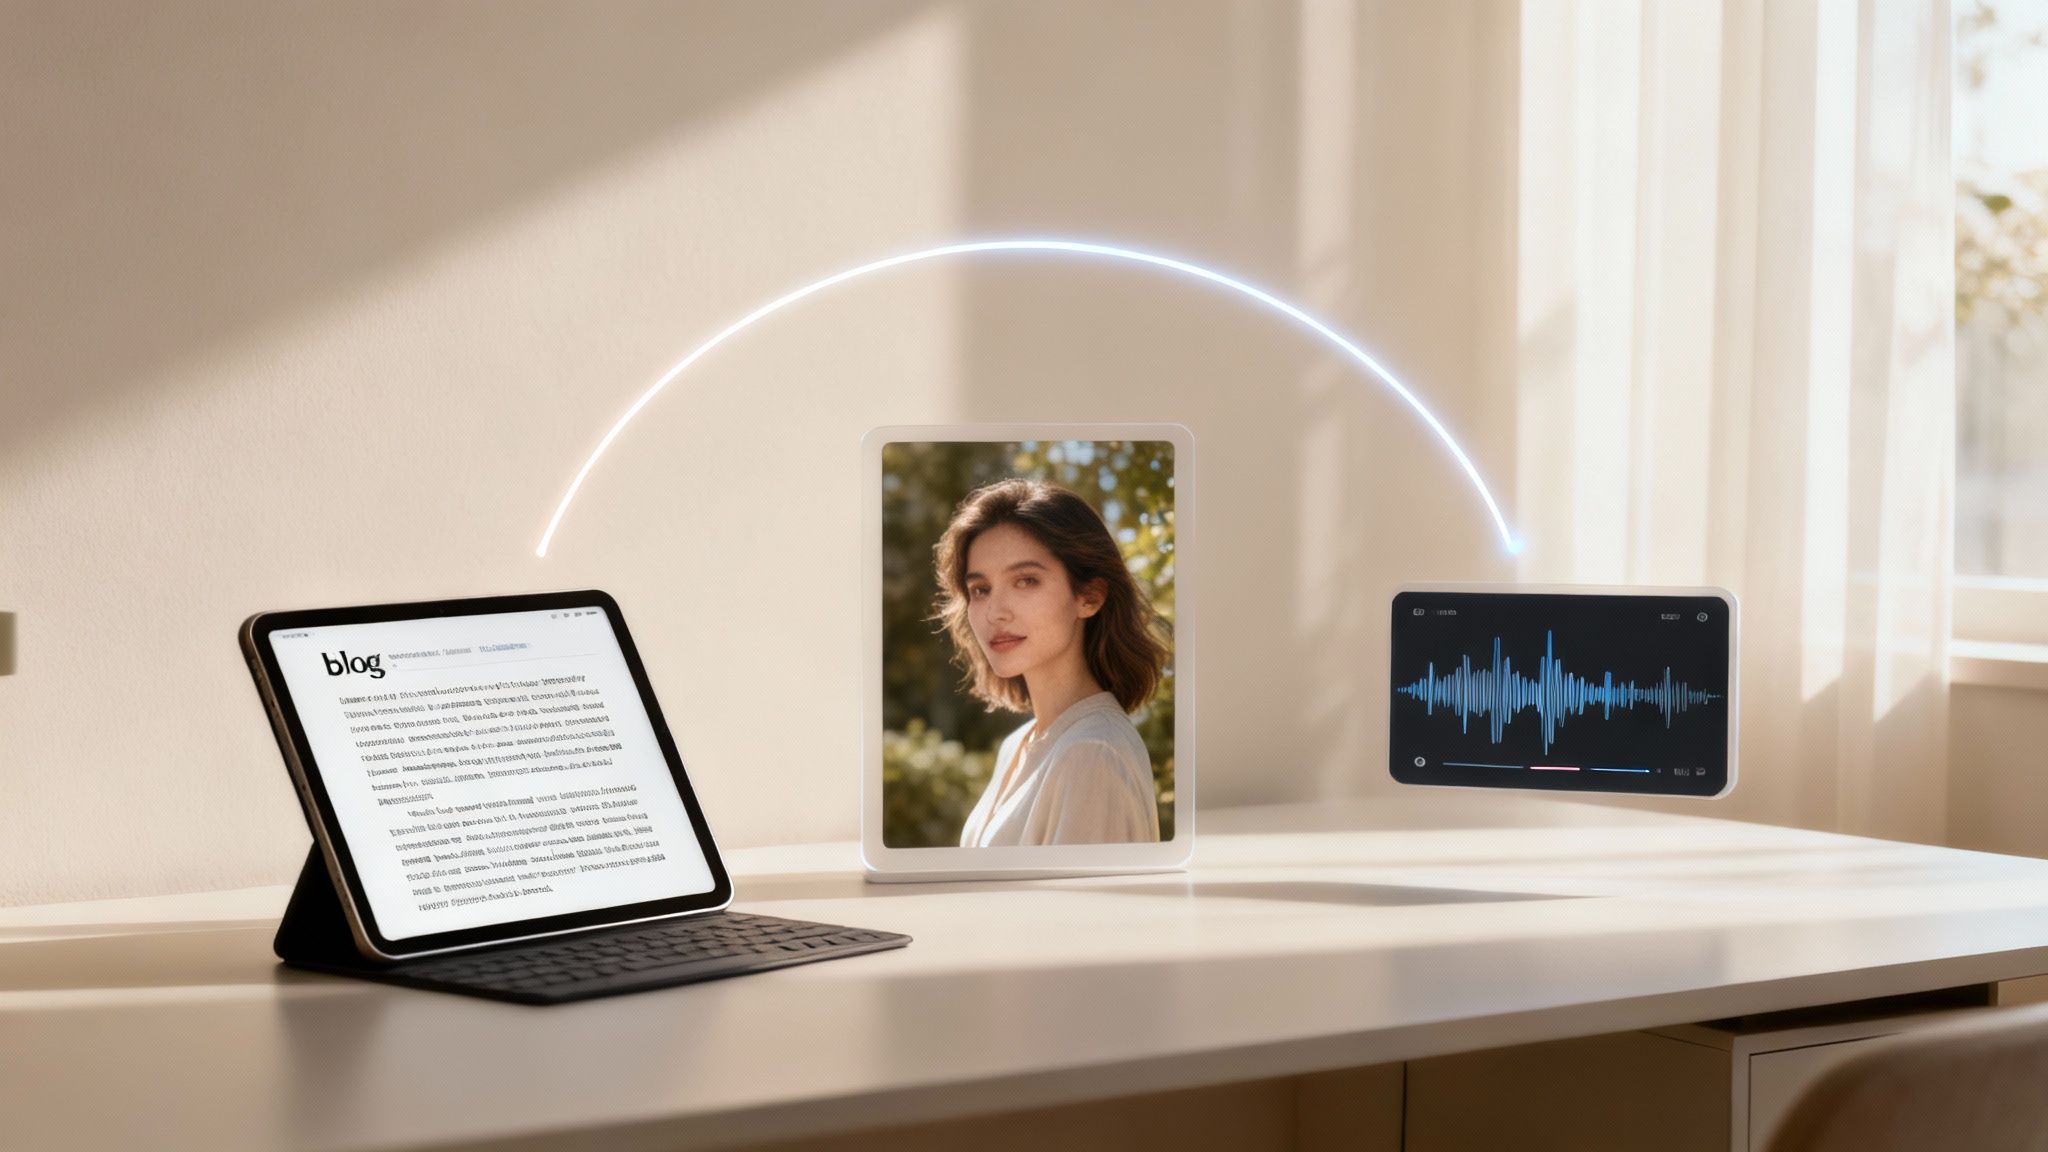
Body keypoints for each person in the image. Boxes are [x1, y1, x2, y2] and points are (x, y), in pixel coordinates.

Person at [934, 478, 1169, 846]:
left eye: (1026, 581)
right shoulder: (1017, 745)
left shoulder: (1093, 754)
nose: (994, 612)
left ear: (1089, 597)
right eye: (980, 589)